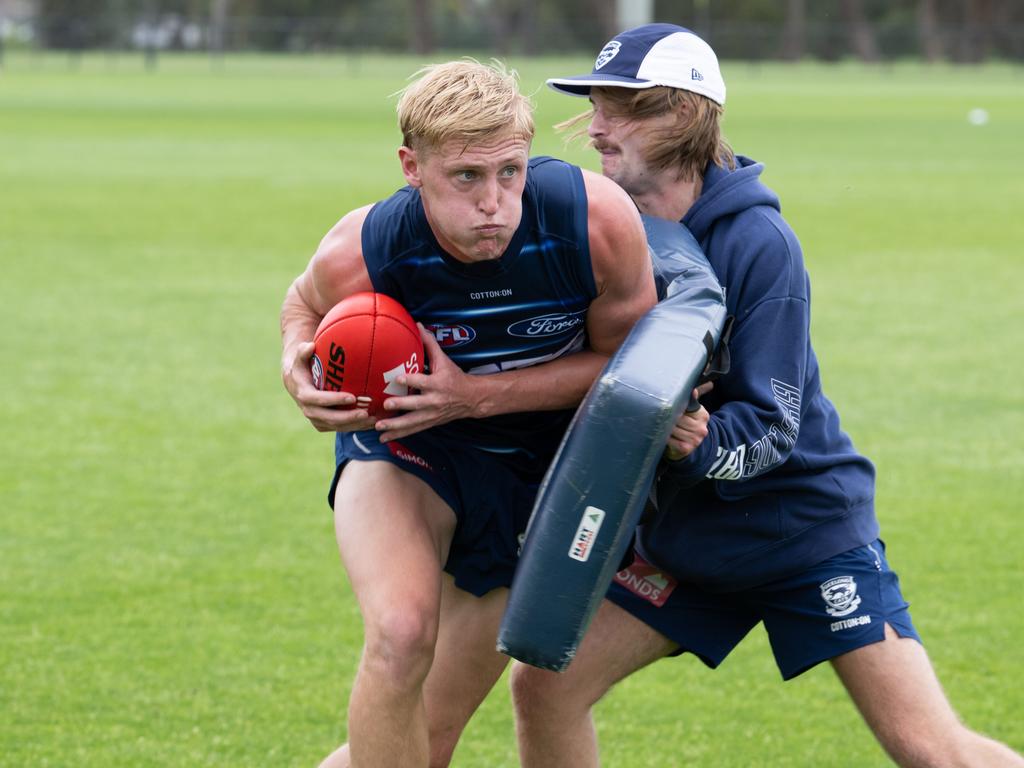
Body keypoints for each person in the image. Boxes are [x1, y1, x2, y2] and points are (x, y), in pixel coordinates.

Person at [509, 23, 1024, 768]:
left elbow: (775, 423)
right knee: (544, 686)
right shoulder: (613, 230)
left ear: (682, 114)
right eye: (595, 105)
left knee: (930, 749)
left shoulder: (758, 242)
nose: (595, 128)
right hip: (689, 544)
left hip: (800, 535)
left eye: (619, 109)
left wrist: (702, 441)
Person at [279, 59, 656, 768]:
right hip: (406, 448)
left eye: (509, 172)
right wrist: (297, 361)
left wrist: (477, 395)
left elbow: (632, 368)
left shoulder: (595, 220)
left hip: (536, 471)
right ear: (411, 167)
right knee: (399, 633)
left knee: (434, 732)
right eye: (466, 178)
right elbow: (303, 302)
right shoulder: (366, 247)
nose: (494, 202)